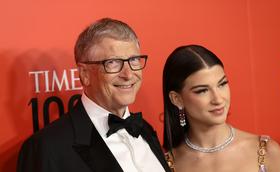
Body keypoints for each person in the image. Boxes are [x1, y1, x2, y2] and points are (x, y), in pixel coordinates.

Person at [17, 18, 170, 172]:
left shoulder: (145, 129)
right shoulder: (46, 148)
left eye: (134, 60)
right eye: (113, 62)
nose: (128, 74)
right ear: (85, 74)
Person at [162, 45, 280, 172]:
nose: (218, 99)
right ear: (176, 99)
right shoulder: (168, 164)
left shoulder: (266, 151)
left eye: (222, 84)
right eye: (202, 91)